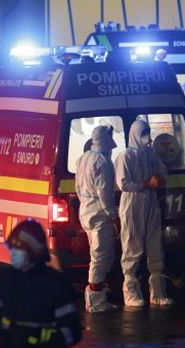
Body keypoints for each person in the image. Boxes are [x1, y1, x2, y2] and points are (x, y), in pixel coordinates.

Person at [0, 219, 82, 347]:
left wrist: (36, 338)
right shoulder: (7, 279)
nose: (12, 253)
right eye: (11, 248)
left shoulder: (56, 284)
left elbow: (72, 332)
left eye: (17, 249)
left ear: (33, 251)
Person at [115, 119, 173, 307]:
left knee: (155, 242)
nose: (147, 138)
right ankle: (130, 292)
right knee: (132, 243)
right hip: (132, 202)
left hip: (150, 200)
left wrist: (160, 179)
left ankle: (158, 292)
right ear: (134, 135)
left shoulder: (150, 153)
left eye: (147, 132)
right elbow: (123, 183)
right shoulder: (125, 156)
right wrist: (147, 184)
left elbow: (162, 173)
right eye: (143, 133)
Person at [75, 125, 120, 313]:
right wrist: (114, 217)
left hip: (86, 211)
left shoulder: (83, 158)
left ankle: (96, 295)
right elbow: (105, 195)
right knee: (101, 256)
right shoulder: (103, 162)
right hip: (99, 215)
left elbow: (78, 188)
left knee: (98, 255)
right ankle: (95, 300)